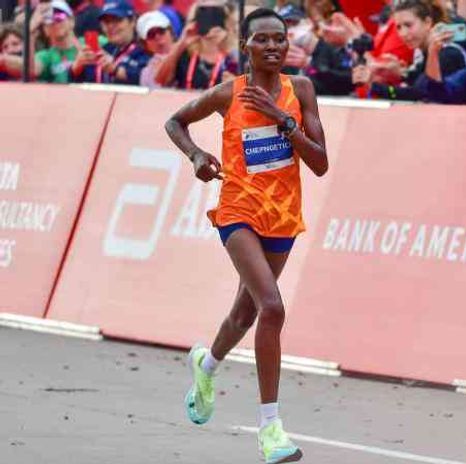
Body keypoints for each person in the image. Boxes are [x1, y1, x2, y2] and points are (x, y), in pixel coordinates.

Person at [165, 8, 328, 463]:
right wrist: (197, 155)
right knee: (271, 306)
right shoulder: (226, 94)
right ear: (246, 46)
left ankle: (207, 363)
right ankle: (270, 428)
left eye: (280, 39)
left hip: (282, 215)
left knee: (245, 311)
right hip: (238, 209)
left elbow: (319, 163)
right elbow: (175, 121)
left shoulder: (303, 91)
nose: (273, 46)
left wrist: (283, 119)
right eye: (263, 40)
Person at [352, 0, 466, 101]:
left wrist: (375, 87)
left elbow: (420, 93)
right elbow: (417, 81)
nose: (403, 34)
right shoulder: (423, 54)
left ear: (427, 22)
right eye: (398, 27)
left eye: (408, 25)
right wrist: (400, 73)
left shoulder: (448, 54)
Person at [154, 2, 239, 90]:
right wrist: (182, 42)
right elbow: (160, 80)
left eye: (216, 15)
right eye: (204, 14)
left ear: (225, 21)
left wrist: (236, 86)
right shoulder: (184, 52)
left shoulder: (233, 59)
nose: (210, 21)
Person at [72, 0, 151, 84]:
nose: (110, 26)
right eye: (106, 22)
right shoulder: (103, 51)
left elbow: (148, 79)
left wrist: (115, 70)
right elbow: (82, 83)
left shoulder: (146, 50)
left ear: (132, 21)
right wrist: (77, 68)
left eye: (117, 20)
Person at [136, 10, 175, 88]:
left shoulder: (188, 57)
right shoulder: (146, 73)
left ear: (171, 32)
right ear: (144, 43)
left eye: (161, 31)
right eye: (151, 35)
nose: (157, 37)